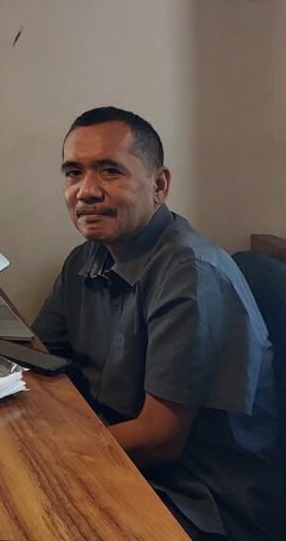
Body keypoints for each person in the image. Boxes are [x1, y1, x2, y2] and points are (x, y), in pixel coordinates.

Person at [33, 106, 282, 541]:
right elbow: (40, 355)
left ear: (159, 185)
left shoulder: (190, 273)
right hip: (123, 458)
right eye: (73, 173)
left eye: (110, 171)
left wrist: (46, 452)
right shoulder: (85, 259)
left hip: (199, 500)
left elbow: (158, 439)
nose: (85, 191)